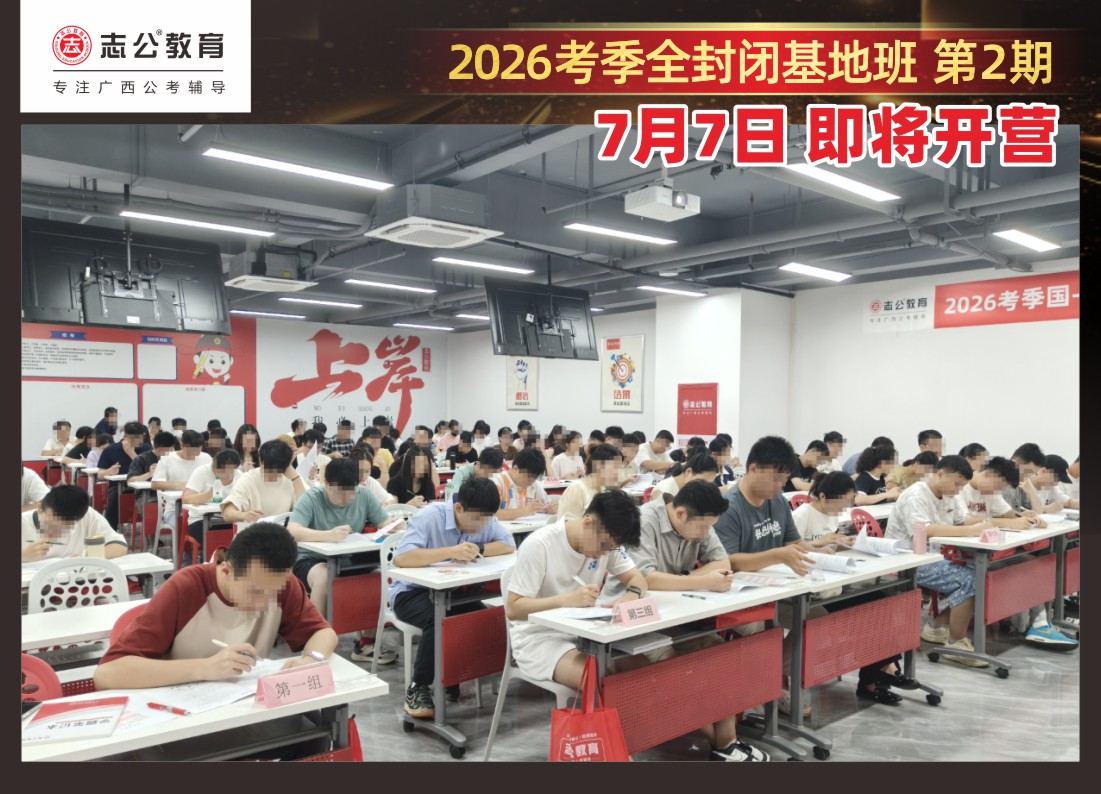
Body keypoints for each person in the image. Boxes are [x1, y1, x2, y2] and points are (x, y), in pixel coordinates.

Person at [601, 481, 769, 762]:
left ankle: (727, 744)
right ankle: (717, 740)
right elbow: (646, 579)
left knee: (722, 655)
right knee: (671, 664)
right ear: (680, 514)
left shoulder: (699, 517)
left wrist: (687, 579)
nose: (705, 533)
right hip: (631, 621)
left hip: (677, 616)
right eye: (703, 528)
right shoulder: (644, 521)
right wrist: (702, 580)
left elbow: (723, 563)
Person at [93, 522, 338, 691]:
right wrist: (206, 668)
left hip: (243, 709)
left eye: (273, 592)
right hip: (179, 713)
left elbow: (323, 632)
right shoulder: (185, 588)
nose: (265, 602)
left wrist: (312, 659)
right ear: (227, 571)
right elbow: (107, 674)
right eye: (254, 592)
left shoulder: (281, 585)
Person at [392, 477, 518, 717]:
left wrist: (479, 549)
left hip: (454, 592)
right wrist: (450, 552)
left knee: (483, 619)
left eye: (488, 519)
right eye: (478, 520)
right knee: (440, 619)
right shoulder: (429, 517)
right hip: (412, 593)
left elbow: (508, 544)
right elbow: (402, 558)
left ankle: (452, 677)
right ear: (459, 508)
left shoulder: (483, 517)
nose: (483, 526)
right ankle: (418, 688)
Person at [710, 435, 817, 716]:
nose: (781, 487)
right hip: (739, 599)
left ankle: (768, 675)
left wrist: (824, 552)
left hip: (777, 591)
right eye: (776, 479)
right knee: (763, 628)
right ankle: (763, 685)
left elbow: (794, 543)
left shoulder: (778, 501)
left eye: (784, 480)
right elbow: (729, 561)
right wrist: (778, 555)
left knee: (817, 618)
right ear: (753, 469)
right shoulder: (728, 506)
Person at [792, 471, 914, 706]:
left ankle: (881, 670)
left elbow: (828, 547)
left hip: (833, 582)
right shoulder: (802, 515)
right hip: (813, 592)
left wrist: (843, 544)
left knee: (881, 602)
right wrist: (821, 543)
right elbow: (792, 550)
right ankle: (878, 675)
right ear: (823, 496)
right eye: (843, 502)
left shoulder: (830, 514)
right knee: (870, 611)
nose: (844, 508)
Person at [506, 490, 647, 691]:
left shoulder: (608, 543)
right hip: (540, 637)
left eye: (610, 549)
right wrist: (567, 600)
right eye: (603, 546)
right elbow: (513, 608)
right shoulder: (539, 545)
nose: (604, 554)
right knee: (597, 680)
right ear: (588, 523)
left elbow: (638, 578)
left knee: (643, 668)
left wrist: (631, 595)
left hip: (587, 632)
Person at [287, 458, 404, 665]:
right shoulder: (312, 498)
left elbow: (384, 522)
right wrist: (328, 535)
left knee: (378, 577)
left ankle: (366, 643)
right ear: (327, 484)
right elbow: (292, 530)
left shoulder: (364, 495)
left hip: (347, 559)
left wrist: (393, 525)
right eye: (340, 492)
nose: (346, 498)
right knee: (324, 576)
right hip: (310, 559)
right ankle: (313, 645)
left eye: (351, 491)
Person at [885, 455, 990, 667]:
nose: (958, 490)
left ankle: (937, 626)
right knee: (970, 579)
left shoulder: (949, 494)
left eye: (962, 486)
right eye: (957, 484)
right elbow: (925, 530)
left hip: (936, 556)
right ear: (941, 474)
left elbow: (963, 520)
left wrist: (994, 522)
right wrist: (971, 530)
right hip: (907, 560)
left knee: (983, 573)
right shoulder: (916, 495)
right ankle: (955, 644)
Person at [22, 484, 128, 561]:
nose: (54, 534)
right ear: (40, 508)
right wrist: (23, 556)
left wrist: (86, 557)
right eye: (50, 526)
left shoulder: (86, 515)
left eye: (65, 529)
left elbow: (120, 546)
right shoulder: (23, 522)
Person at [220, 440, 307, 525]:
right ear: (261, 461)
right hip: (253, 532)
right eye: (269, 469)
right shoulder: (248, 480)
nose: (273, 474)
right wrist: (244, 515)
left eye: (278, 470)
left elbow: (306, 510)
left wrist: (296, 478)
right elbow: (227, 514)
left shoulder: (291, 480)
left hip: (281, 532)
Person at [182, 449, 243, 561]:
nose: (227, 475)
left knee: (242, 537)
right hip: (200, 520)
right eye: (223, 471)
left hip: (228, 519)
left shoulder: (240, 476)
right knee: (214, 543)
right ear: (214, 466)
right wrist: (208, 494)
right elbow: (186, 499)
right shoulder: (201, 472)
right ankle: (209, 566)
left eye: (231, 471)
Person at [152, 430, 213, 535]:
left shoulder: (206, 458)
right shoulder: (168, 459)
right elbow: (155, 484)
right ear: (182, 445)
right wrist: (182, 485)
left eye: (197, 453)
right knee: (184, 527)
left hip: (203, 507)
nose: (193, 456)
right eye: (190, 452)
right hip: (175, 509)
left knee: (219, 526)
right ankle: (183, 546)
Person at [96, 422, 151, 528]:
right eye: (133, 439)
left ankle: (151, 533)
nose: (137, 442)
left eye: (139, 438)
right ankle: (110, 530)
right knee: (114, 498)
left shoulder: (146, 448)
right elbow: (99, 475)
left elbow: (149, 471)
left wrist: (132, 454)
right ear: (125, 437)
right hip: (117, 487)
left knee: (153, 498)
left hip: (142, 487)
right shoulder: (111, 450)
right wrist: (108, 472)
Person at [556, 443, 623, 519]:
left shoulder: (603, 489)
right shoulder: (577, 489)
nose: (617, 473)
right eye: (615, 467)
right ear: (599, 466)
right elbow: (566, 523)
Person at [490, 447, 556, 520]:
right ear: (515, 469)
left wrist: (551, 508)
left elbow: (548, 504)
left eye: (535, 477)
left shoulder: (534, 484)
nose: (531, 482)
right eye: (528, 477)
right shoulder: (496, 483)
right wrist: (525, 511)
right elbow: (490, 514)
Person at [126, 430, 177, 517]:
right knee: (154, 506)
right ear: (156, 447)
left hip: (170, 494)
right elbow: (130, 480)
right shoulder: (141, 459)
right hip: (148, 495)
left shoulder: (174, 458)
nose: (169, 452)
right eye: (166, 450)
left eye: (171, 449)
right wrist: (149, 474)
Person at [649, 451, 720, 502]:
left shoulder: (692, 491)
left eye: (709, 485)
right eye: (703, 482)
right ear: (688, 472)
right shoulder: (664, 490)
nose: (705, 488)